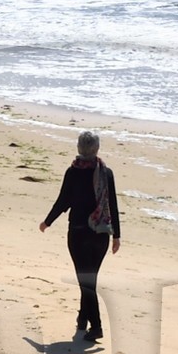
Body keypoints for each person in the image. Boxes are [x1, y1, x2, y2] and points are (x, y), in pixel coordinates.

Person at [39, 129, 120, 342]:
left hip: (78, 234)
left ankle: (97, 326)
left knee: (86, 281)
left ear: (78, 148)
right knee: (89, 279)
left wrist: (47, 221)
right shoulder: (106, 173)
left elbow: (63, 201)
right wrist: (117, 236)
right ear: (97, 148)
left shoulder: (73, 172)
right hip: (101, 233)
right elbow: (112, 204)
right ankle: (83, 319)